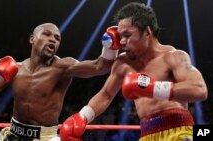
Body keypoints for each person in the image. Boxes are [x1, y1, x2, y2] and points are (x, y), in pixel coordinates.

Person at [59, 2, 208, 141]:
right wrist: (82, 116)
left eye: (127, 35)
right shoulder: (123, 63)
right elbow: (106, 95)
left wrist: (152, 88)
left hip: (179, 130)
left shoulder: (173, 57)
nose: (122, 42)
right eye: (120, 36)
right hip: (147, 134)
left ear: (147, 32)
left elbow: (199, 89)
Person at [0, 23, 122, 141]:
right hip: (13, 134)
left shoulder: (62, 67)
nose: (53, 39)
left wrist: (110, 46)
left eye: (57, 38)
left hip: (45, 137)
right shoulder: (16, 69)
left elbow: (100, 67)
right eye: (47, 34)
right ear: (32, 39)